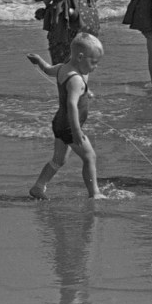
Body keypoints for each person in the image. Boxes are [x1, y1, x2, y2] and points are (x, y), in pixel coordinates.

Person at [26, 33, 106, 200]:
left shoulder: (64, 68)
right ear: (80, 57)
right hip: (70, 126)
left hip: (60, 123)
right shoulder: (75, 79)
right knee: (90, 156)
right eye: (94, 62)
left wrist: (39, 61)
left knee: (59, 160)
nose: (95, 67)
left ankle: (38, 186)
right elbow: (71, 104)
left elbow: (48, 70)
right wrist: (76, 130)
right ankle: (95, 193)